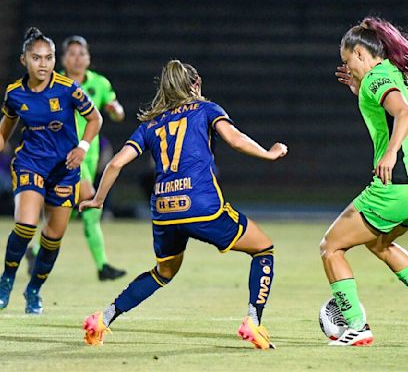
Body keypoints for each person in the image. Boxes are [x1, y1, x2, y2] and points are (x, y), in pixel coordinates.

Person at [80, 60, 287, 348]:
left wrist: (98, 200)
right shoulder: (206, 109)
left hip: (164, 210)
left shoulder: (151, 124)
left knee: (163, 272)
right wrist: (269, 153)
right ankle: (253, 321)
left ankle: (102, 319)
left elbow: (115, 163)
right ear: (196, 83)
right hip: (202, 205)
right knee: (263, 248)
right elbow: (235, 140)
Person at [323, 17, 408, 346]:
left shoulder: (377, 77)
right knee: (379, 243)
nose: (347, 67)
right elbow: (390, 107)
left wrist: (390, 153)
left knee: (331, 247)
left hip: (398, 185)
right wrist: (356, 86)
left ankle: (356, 324)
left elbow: (404, 114)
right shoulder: (395, 74)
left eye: (347, 61)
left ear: (360, 53)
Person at [0, 27, 102, 314]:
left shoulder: (68, 89)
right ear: (24, 60)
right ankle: (6, 279)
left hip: (64, 169)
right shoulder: (14, 94)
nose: (43, 64)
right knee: (26, 224)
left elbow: (95, 119)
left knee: (53, 236)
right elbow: (4, 133)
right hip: (30, 163)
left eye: (48, 58)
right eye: (36, 58)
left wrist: (82, 147)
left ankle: (34, 290)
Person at [26, 35, 127, 280]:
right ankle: (102, 266)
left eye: (82, 54)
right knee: (90, 204)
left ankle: (37, 251)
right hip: (64, 157)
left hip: (90, 157)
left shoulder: (100, 84)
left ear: (88, 57)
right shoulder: (52, 83)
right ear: (62, 58)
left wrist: (115, 110)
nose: (78, 58)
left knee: (70, 209)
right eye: (72, 54)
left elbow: (118, 113)